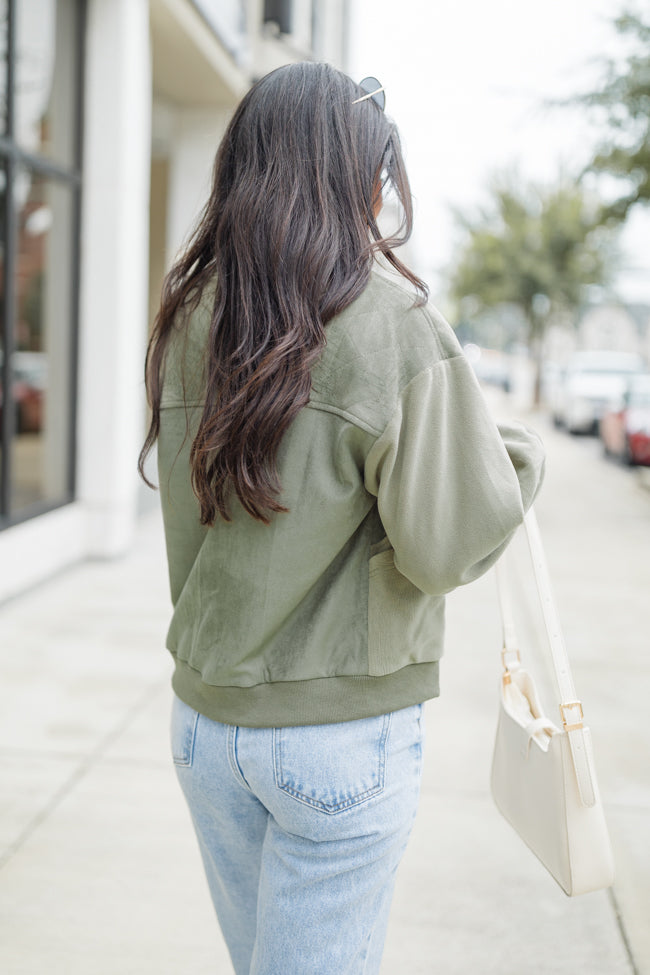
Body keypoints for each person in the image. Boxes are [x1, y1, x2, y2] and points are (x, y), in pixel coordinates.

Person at [139, 61, 545, 975]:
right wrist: (517, 460)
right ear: (361, 172)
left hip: (208, 722)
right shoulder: (391, 319)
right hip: (338, 735)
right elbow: (445, 546)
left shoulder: (196, 311)